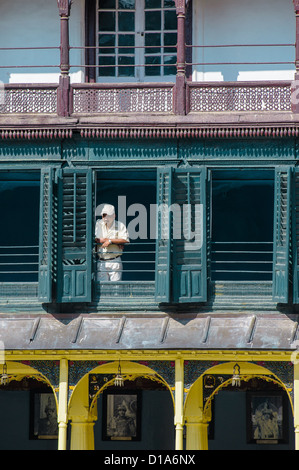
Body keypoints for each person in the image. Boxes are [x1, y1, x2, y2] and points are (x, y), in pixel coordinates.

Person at [95, 203, 129, 281]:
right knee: (102, 289)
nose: (105, 218)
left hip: (115, 261)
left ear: (114, 216)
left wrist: (110, 241)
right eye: (104, 215)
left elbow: (125, 240)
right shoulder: (98, 224)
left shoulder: (120, 225)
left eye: (108, 215)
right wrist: (116, 241)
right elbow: (96, 239)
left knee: (116, 289)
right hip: (101, 261)